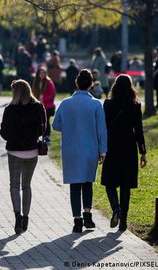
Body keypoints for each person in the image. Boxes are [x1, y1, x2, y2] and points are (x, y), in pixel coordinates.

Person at [52, 69, 107, 233]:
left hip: (71, 148)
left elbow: (56, 125)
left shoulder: (66, 103)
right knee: (87, 182)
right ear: (91, 84)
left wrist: (69, 127)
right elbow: (101, 130)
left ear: (77, 82)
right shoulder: (96, 104)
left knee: (75, 184)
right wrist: (103, 150)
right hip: (90, 148)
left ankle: (77, 219)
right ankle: (88, 214)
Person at [0, 80, 46, 234]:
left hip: (14, 151)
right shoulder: (38, 106)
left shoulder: (10, 109)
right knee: (26, 185)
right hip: (32, 151)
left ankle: (17, 216)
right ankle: (26, 216)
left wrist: (14, 137)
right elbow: (43, 128)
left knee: (14, 185)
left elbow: (4, 133)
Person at [101, 74, 147, 231]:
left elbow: (103, 127)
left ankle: (116, 208)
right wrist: (143, 152)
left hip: (112, 146)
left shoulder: (107, 104)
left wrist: (101, 149)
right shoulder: (135, 105)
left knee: (109, 182)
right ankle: (124, 220)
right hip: (129, 147)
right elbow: (139, 130)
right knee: (126, 184)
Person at [32, 67, 56, 143]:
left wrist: (43, 99)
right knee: (39, 121)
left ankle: (47, 136)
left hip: (47, 105)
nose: (42, 74)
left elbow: (52, 93)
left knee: (46, 121)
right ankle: (39, 136)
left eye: (43, 73)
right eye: (40, 73)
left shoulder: (49, 82)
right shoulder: (37, 82)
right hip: (39, 105)